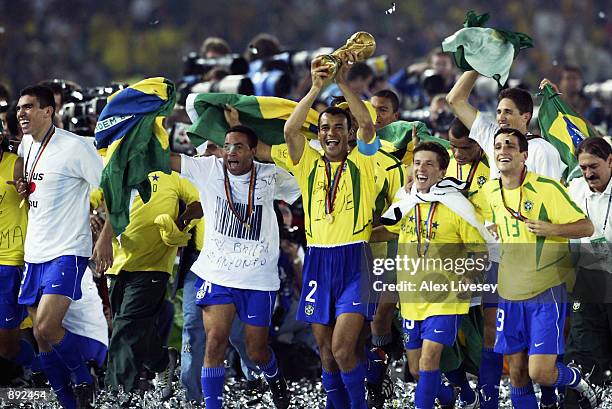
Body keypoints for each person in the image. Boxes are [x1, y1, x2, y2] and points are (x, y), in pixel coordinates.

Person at [170, 124, 300, 409]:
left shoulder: (269, 176)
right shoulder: (209, 169)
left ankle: (274, 378)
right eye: (227, 145)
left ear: (254, 151)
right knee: (215, 341)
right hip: (218, 272)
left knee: (256, 351)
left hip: (257, 278)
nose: (231, 152)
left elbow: (304, 175)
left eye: (239, 146)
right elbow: (167, 159)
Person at [470, 128, 600, 409]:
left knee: (539, 371)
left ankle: (578, 380)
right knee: (516, 373)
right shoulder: (490, 190)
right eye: (498, 146)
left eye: (510, 146)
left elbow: (586, 226)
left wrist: (552, 228)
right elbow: (475, 210)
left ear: (523, 155)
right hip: (509, 293)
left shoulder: (546, 188)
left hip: (545, 293)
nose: (503, 150)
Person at [284, 54, 380, 409]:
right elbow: (290, 130)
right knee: (327, 354)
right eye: (324, 129)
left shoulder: (363, 160)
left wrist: (340, 81)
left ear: (349, 133)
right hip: (318, 262)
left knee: (342, 348)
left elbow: (368, 126)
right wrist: (315, 88)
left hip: (355, 260)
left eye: (338, 128)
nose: (330, 134)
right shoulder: (307, 162)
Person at [372, 141, 488, 409]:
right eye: (417, 163)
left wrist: (469, 277)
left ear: (442, 172)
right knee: (416, 369)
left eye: (428, 164)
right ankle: (460, 397)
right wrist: (357, 237)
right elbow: (390, 230)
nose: (421, 168)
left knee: (428, 362)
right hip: (411, 298)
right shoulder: (408, 202)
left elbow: (480, 251)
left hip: (445, 299)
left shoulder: (457, 207)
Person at [11, 85, 103, 408]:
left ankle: (83, 376)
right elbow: (22, 161)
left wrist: (103, 231)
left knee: (47, 326)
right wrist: (22, 181)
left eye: (28, 107)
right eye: (19, 108)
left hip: (68, 249)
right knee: (40, 338)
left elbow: (107, 188)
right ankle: (69, 403)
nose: (21, 113)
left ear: (49, 111)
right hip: (35, 252)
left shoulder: (76, 147)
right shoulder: (27, 144)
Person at [92, 166, 201, 401]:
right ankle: (162, 360)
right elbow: (92, 196)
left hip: (154, 265)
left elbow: (198, 204)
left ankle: (116, 396)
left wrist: (180, 223)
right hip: (116, 263)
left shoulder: (174, 173)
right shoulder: (117, 167)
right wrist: (90, 214)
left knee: (126, 327)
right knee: (134, 327)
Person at [446, 70, 566, 180]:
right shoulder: (491, 137)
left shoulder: (542, 150)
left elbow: (550, 197)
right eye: (499, 112)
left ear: (526, 116)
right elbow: (455, 100)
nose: (501, 118)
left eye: (508, 112)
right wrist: (477, 64)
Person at [565, 137, 612, 408]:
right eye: (583, 167)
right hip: (588, 282)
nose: (588, 173)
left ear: (609, 161)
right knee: (583, 346)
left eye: (593, 166)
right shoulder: (575, 188)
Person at [0, 120, 33, 381]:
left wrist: (26, 190)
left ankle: (48, 367)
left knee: (7, 345)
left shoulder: (16, 162)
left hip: (10, 259)